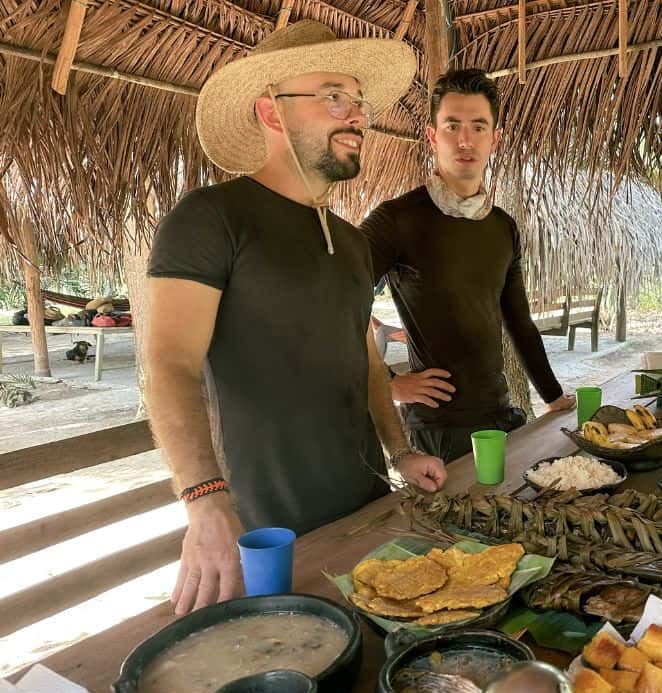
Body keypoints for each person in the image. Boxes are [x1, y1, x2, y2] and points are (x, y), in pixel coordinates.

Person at [145, 21, 446, 616]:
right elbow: (169, 363)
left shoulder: (354, 244)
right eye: (334, 96)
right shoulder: (212, 218)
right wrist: (204, 500)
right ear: (271, 111)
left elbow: (363, 360)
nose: (357, 115)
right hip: (265, 535)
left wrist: (400, 452)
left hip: (367, 511)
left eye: (358, 101)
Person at [361, 68, 575, 463]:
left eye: (478, 127)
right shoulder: (397, 219)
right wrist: (391, 384)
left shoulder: (501, 226)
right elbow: (335, 303)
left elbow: (519, 322)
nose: (465, 139)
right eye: (452, 125)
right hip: (439, 431)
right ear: (432, 135)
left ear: (495, 139)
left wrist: (552, 395)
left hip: (502, 416)